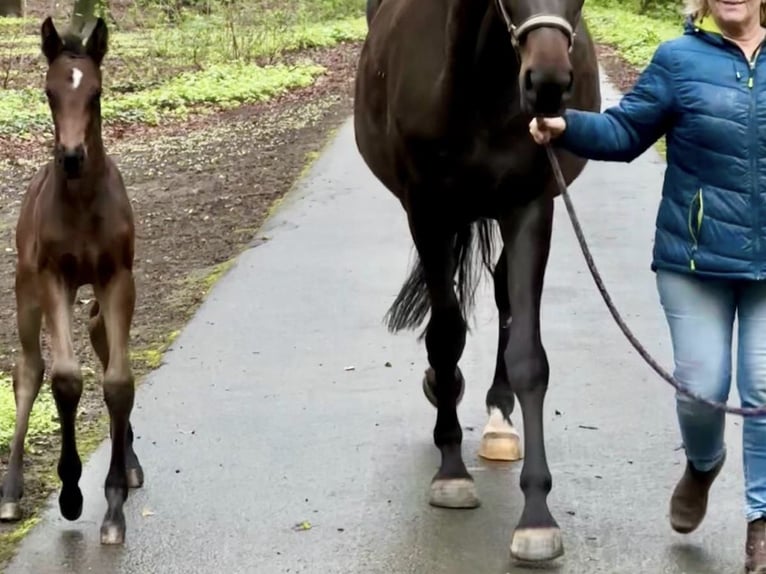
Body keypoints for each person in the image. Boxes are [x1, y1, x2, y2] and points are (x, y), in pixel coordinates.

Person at [529, 0, 766, 571]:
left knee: (763, 390)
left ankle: (761, 526)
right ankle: (703, 465)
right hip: (694, 262)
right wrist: (567, 126)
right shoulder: (678, 59)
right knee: (701, 386)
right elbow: (626, 129)